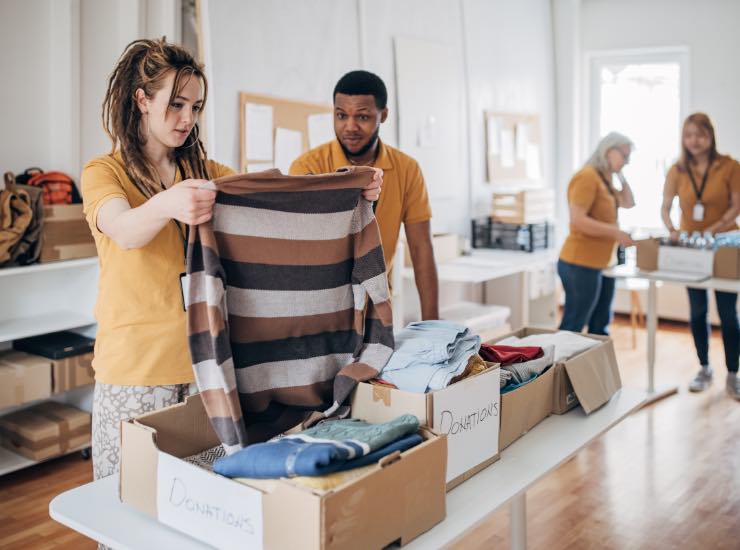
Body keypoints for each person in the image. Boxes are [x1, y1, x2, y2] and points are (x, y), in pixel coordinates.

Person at [81, 38, 383, 484]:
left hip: (207, 365)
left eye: (196, 107)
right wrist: (170, 204)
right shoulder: (103, 172)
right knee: (125, 501)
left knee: (197, 502)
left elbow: (274, 201)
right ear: (141, 100)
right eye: (177, 104)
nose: (188, 119)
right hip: (135, 371)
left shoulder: (204, 171)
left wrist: (347, 192)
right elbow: (123, 230)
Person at [290, 70, 439, 320]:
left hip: (376, 308)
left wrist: (433, 324)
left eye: (362, 116)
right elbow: (299, 247)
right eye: (341, 115)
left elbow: (421, 247)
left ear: (384, 115)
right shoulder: (308, 168)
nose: (350, 127)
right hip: (320, 308)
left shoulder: (407, 169)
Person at [661, 113, 740, 397]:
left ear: (711, 135)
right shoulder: (677, 170)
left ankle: (733, 372)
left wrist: (713, 229)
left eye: (700, 134)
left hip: (725, 244)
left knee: (728, 313)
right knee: (697, 310)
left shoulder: (729, 166)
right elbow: (666, 205)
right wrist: (671, 228)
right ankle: (704, 367)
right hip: (691, 247)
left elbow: (735, 206)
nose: (694, 140)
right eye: (689, 135)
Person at [558, 132, 636, 335]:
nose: (626, 161)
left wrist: (621, 175)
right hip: (580, 263)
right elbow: (578, 220)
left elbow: (629, 203)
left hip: (603, 263)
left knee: (600, 326)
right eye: (624, 156)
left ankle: (591, 366)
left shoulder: (605, 179)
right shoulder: (587, 177)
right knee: (574, 324)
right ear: (609, 151)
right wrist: (615, 232)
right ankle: (555, 367)